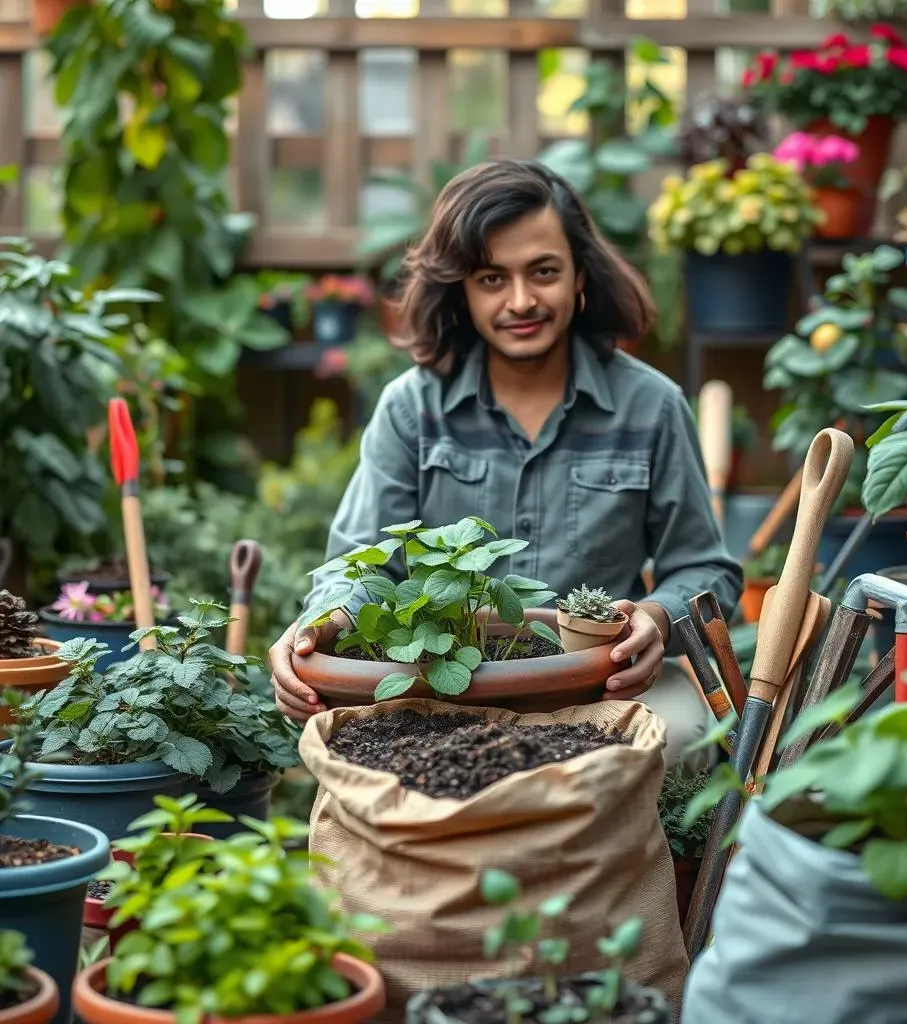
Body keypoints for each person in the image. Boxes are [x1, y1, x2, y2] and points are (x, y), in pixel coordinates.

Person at [269, 158, 743, 766]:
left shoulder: (650, 406)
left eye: (543, 271)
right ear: (462, 290)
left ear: (579, 277)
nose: (521, 301)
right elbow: (359, 565)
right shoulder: (412, 408)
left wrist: (655, 620)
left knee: (680, 737)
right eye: (492, 279)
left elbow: (706, 569)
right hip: (438, 685)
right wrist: (319, 627)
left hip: (603, 687)